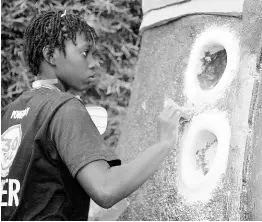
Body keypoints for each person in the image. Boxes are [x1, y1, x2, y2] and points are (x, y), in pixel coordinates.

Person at [1, 10, 190, 220]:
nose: (94, 63)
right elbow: (105, 189)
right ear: (50, 55)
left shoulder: (9, 113)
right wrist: (163, 144)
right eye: (84, 53)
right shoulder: (64, 108)